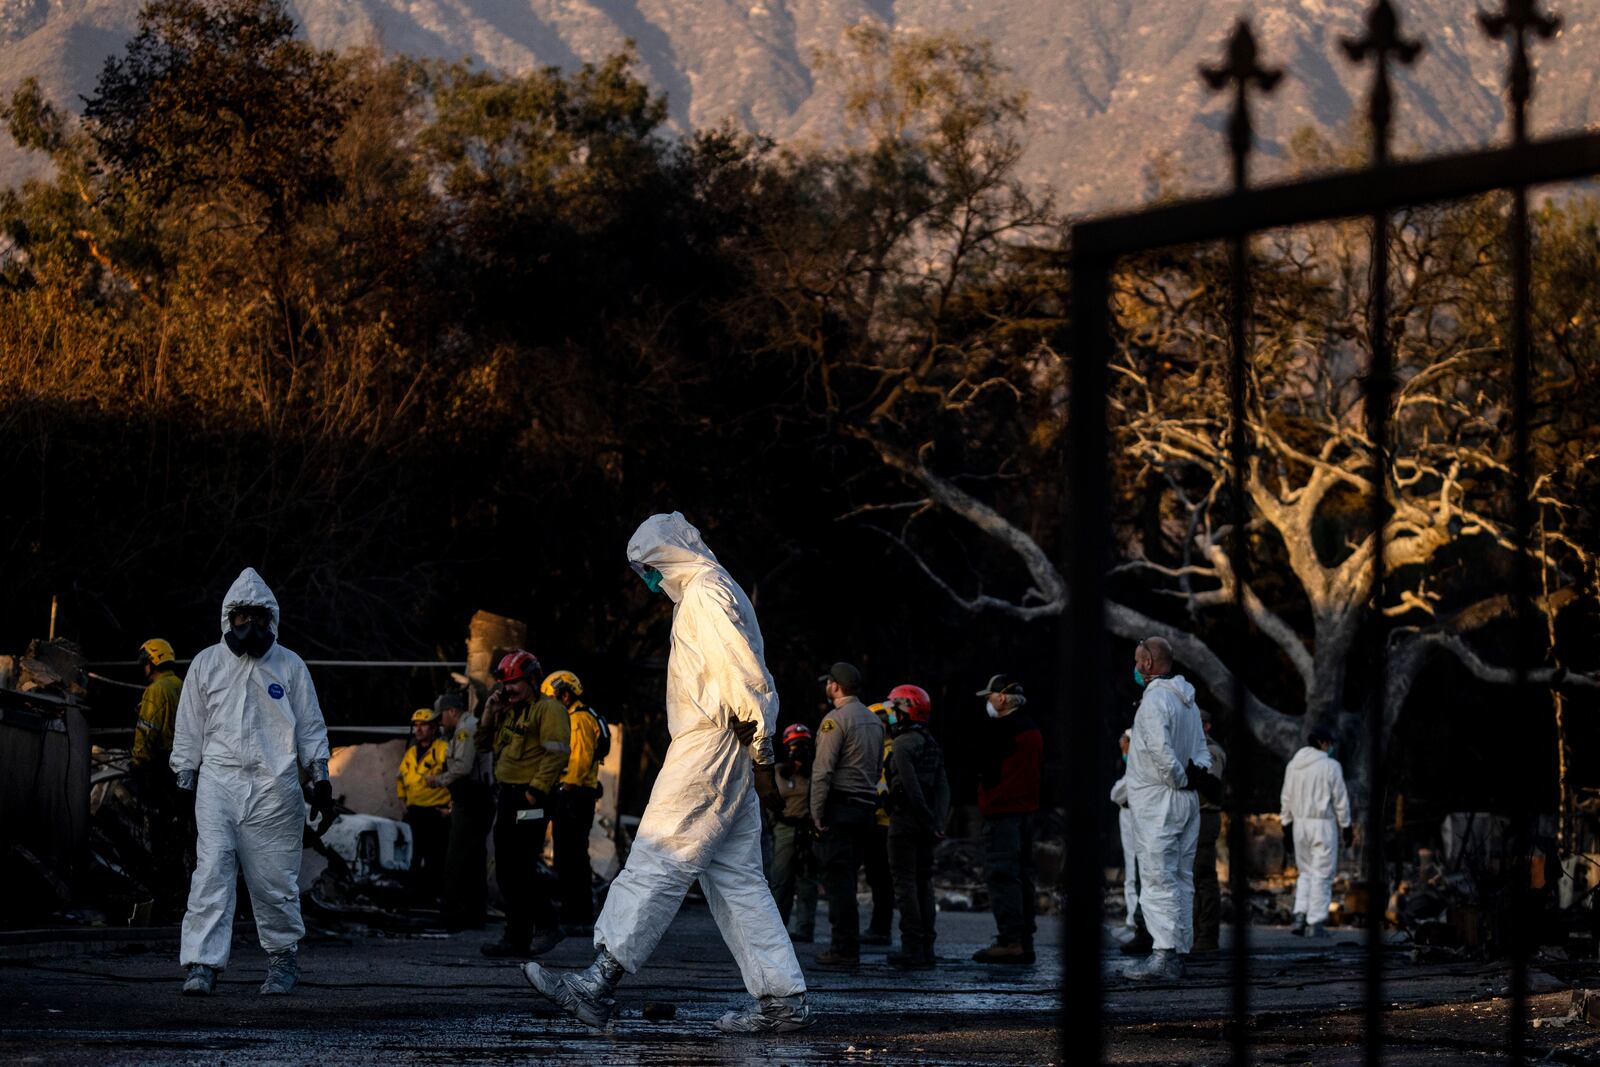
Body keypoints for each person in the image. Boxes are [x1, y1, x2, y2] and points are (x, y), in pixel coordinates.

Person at [523, 512, 813, 1033]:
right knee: (737, 879)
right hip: (731, 746)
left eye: (649, 568)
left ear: (669, 554)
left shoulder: (705, 593)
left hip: (710, 744)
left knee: (659, 854)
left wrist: (761, 742)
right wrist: (757, 749)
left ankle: (598, 983)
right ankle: (782, 1000)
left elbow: (743, 671)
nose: (649, 581)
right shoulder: (714, 589)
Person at [169, 567, 335, 997]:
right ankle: (202, 965)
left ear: (271, 619)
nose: (250, 627)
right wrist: (183, 781)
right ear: (229, 618)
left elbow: (311, 727)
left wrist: (319, 778)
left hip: (275, 789)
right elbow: (189, 727)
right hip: (219, 783)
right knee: (211, 872)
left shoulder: (289, 665)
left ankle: (282, 962)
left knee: (275, 880)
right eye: (242, 618)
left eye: (258, 618)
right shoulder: (207, 664)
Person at [1121, 637, 1214, 982]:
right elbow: (1202, 751)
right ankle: (1178, 950)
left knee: (1158, 875)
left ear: (1147, 664)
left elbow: (1160, 752)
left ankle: (1163, 955)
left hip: (1159, 801)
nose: (1134, 667)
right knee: (1181, 877)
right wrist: (1193, 777)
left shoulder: (1154, 702)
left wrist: (1176, 777)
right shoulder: (1188, 702)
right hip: (1186, 801)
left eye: (1137, 661)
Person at [479, 649, 571, 959]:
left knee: (520, 866)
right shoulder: (510, 711)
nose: (508, 689)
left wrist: (535, 791)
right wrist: (491, 713)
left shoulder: (550, 710)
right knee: (506, 869)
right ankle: (516, 938)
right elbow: (482, 744)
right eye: (505, 684)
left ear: (532, 679)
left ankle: (548, 923)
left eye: (514, 683)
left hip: (529, 798)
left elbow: (556, 753)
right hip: (507, 796)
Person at [810, 662, 886, 971]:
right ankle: (848, 944)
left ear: (835, 686)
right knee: (851, 879)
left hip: (841, 808)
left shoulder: (835, 720)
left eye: (828, 682)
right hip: (866, 808)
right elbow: (878, 766)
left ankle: (844, 948)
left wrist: (815, 811)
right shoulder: (875, 721)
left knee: (839, 882)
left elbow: (823, 770)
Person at [973, 674, 1042, 965]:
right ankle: (1023, 937)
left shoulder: (1001, 731)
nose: (987, 702)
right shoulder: (1032, 729)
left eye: (989, 697)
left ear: (1002, 698)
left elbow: (985, 769)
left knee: (1001, 875)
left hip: (1002, 814)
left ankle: (1010, 939)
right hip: (1026, 812)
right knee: (1023, 875)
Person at [883, 684, 949, 970]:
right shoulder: (931, 742)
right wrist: (937, 821)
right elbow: (944, 788)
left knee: (905, 883)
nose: (891, 716)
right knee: (924, 882)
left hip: (906, 821)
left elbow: (910, 786)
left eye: (894, 710)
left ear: (906, 710)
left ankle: (912, 948)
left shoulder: (901, 744)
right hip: (927, 823)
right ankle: (927, 946)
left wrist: (922, 815)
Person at [544, 670, 606, 934]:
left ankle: (577, 915)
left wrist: (565, 789)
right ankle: (574, 912)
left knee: (573, 856)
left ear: (565, 694)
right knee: (571, 854)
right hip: (576, 793)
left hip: (574, 794)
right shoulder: (577, 716)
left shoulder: (579, 720)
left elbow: (579, 761)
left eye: (553, 698)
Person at [130, 638, 189, 910]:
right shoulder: (182, 685)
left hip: (160, 767)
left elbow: (147, 729)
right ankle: (179, 889)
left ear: (152, 661)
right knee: (180, 831)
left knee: (158, 829)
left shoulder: (156, 690)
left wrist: (138, 763)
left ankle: (160, 893)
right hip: (184, 769)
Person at [426, 691, 493, 931]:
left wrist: (438, 780)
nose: (439, 721)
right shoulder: (462, 729)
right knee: (474, 859)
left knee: (457, 858)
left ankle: (452, 916)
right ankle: (474, 915)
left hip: (472, 799)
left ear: (452, 711)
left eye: (441, 716)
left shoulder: (466, 730)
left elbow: (463, 768)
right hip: (473, 798)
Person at [1280, 725, 1352, 938]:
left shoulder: (1294, 765)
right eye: (1329, 744)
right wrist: (1346, 826)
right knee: (1322, 873)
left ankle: (1300, 915)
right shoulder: (1331, 767)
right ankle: (1315, 922)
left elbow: (1286, 796)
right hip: (1322, 824)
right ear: (1322, 743)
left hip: (1299, 825)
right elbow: (1340, 799)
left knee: (1306, 872)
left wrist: (1286, 825)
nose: (1330, 748)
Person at [769, 723, 819, 942]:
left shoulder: (816, 773)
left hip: (807, 830)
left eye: (803, 745)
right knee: (782, 880)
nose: (799, 749)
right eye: (794, 745)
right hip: (784, 829)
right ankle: (777, 929)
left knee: (808, 881)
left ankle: (805, 928)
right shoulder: (778, 772)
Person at [396, 707, 451, 906]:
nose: (418, 730)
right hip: (414, 812)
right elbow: (401, 778)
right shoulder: (411, 752)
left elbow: (456, 777)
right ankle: (413, 898)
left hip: (436, 813)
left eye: (423, 725)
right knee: (412, 856)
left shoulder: (444, 749)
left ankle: (432, 899)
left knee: (434, 859)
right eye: (416, 725)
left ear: (434, 727)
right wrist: (403, 801)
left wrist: (449, 808)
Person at [861, 702, 897, 947]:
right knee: (878, 878)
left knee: (882, 879)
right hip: (878, 822)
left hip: (884, 824)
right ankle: (879, 926)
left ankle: (881, 928)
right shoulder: (881, 749)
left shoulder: (889, 751)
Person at [1192, 709, 1228, 953]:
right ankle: (1197, 934)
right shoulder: (1195, 747)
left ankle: (1206, 937)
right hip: (1194, 815)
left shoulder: (1211, 751)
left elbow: (1210, 787)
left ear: (1206, 727)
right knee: (1194, 878)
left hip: (1205, 816)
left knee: (1203, 877)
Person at [1110, 730, 1148, 951]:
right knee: (1131, 873)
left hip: (1134, 815)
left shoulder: (1138, 766)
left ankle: (1136, 923)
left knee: (1135, 873)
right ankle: (1132, 920)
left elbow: (1116, 793)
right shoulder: (1130, 766)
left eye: (1126, 742)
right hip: (1128, 815)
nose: (1123, 746)